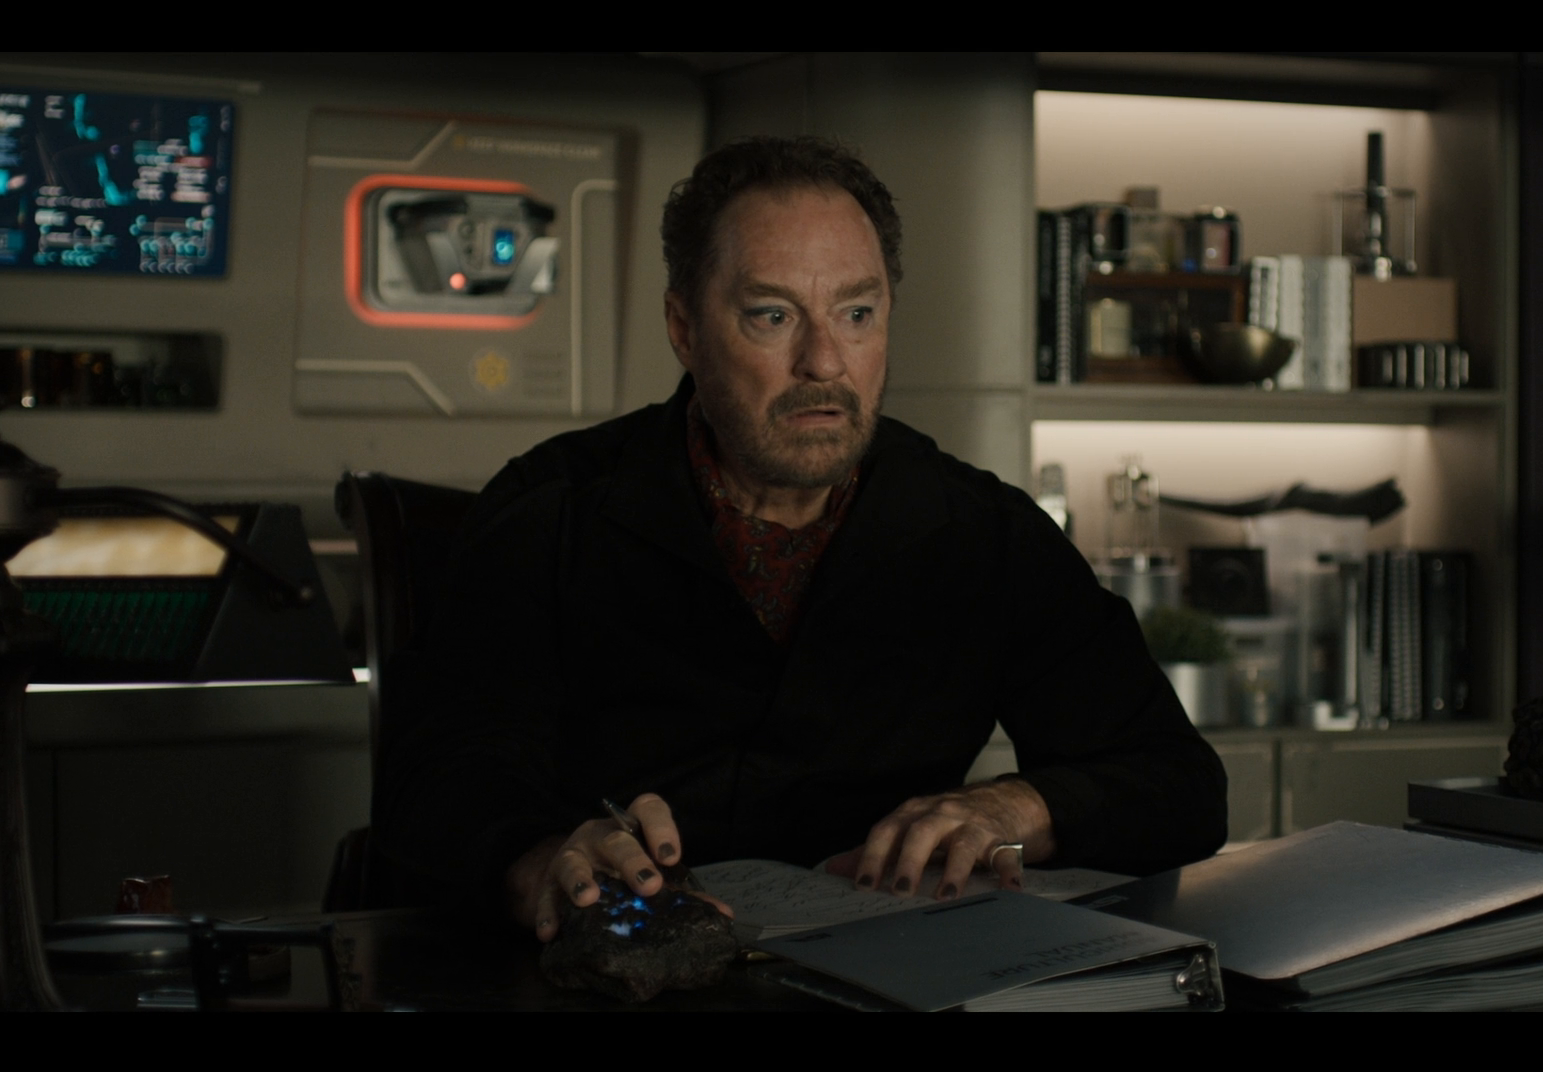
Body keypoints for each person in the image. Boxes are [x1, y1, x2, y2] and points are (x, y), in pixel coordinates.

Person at [378, 136, 1227, 940]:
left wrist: (1016, 809)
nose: (824, 361)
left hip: (886, 975)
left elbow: (1180, 784)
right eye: (771, 315)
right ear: (684, 328)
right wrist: (536, 859)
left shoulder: (985, 533)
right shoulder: (552, 511)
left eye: (856, 313)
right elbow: (435, 786)